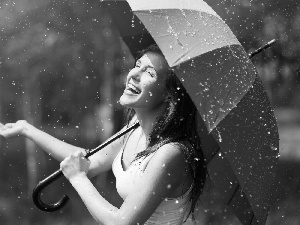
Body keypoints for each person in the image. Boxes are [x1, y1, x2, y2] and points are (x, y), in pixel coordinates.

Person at [0, 44, 207, 225]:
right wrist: (27, 129)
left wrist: (78, 178)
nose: (134, 74)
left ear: (170, 94)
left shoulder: (170, 153)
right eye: (137, 65)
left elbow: (122, 222)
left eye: (149, 73)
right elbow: (90, 161)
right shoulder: (134, 128)